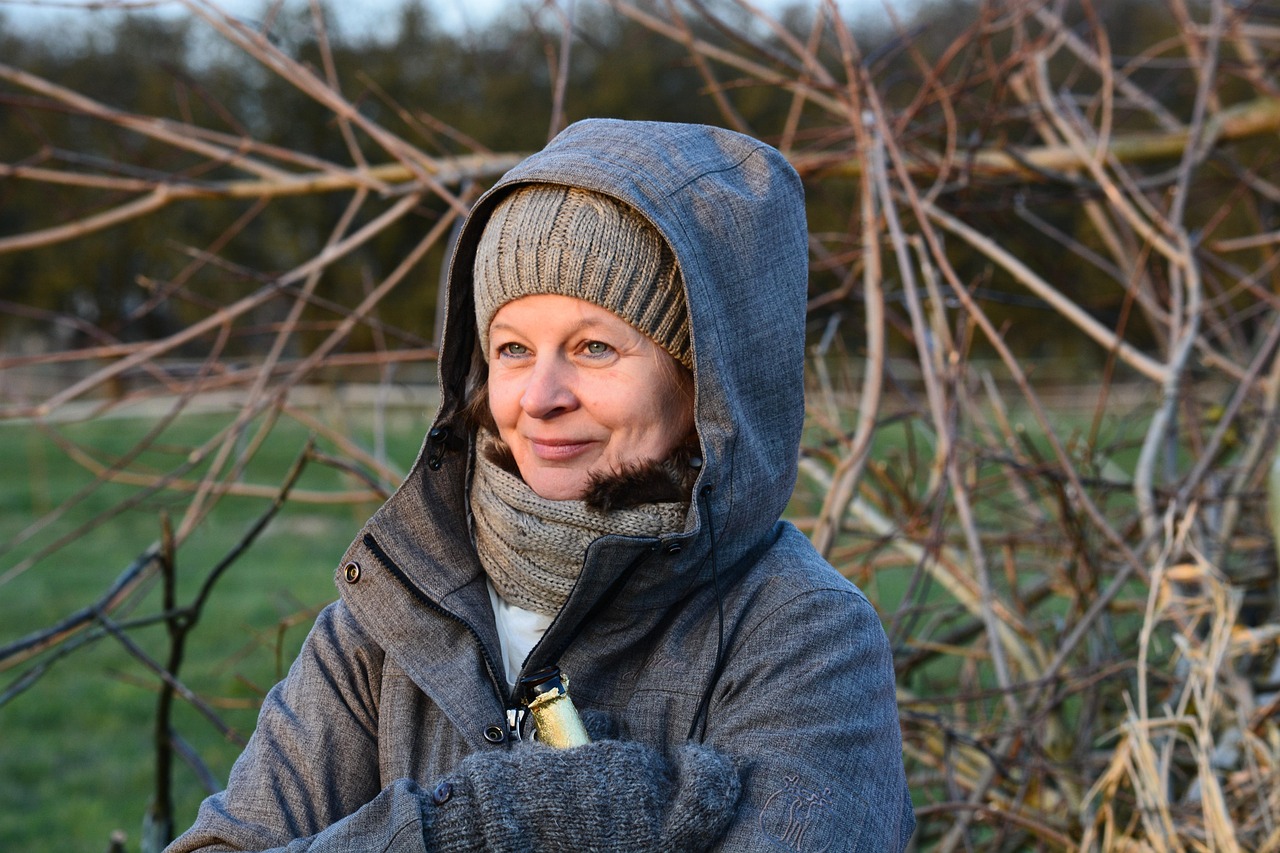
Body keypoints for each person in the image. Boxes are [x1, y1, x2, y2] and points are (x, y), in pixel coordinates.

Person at [167, 118, 914, 852]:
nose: (540, 395)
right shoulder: (393, 615)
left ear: (705, 383)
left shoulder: (805, 636)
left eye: (594, 346)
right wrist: (464, 827)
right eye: (513, 349)